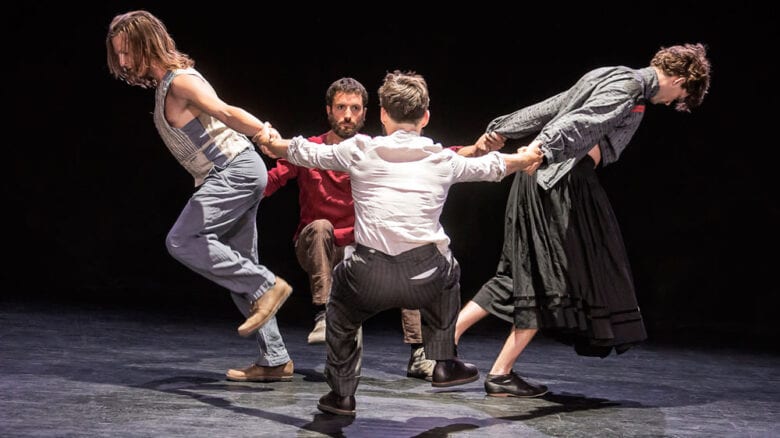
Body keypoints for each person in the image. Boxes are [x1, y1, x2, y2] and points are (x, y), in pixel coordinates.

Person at [255, 70, 543, 416]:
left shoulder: (359, 150)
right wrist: (528, 157)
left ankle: (342, 395)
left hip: (368, 276)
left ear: (381, 115)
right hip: (426, 278)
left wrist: (270, 139)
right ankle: (444, 361)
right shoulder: (442, 158)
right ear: (425, 117)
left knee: (340, 312)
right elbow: (495, 166)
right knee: (449, 270)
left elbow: (299, 150)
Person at [455, 43, 712, 398]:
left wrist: (504, 130)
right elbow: (585, 120)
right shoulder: (630, 86)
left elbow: (554, 105)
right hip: (561, 179)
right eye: (678, 97)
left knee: (521, 273)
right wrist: (542, 148)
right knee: (552, 277)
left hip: (547, 174)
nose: (670, 103)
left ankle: (441, 345)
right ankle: (499, 373)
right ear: (680, 79)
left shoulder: (611, 74)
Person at [106, 10, 295, 383]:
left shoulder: (181, 82)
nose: (124, 62)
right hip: (229, 173)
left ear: (147, 44)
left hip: (234, 170)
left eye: (127, 51)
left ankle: (268, 284)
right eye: (119, 54)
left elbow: (225, 111)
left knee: (182, 240)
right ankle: (275, 358)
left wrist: (265, 134)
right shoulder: (167, 85)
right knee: (238, 268)